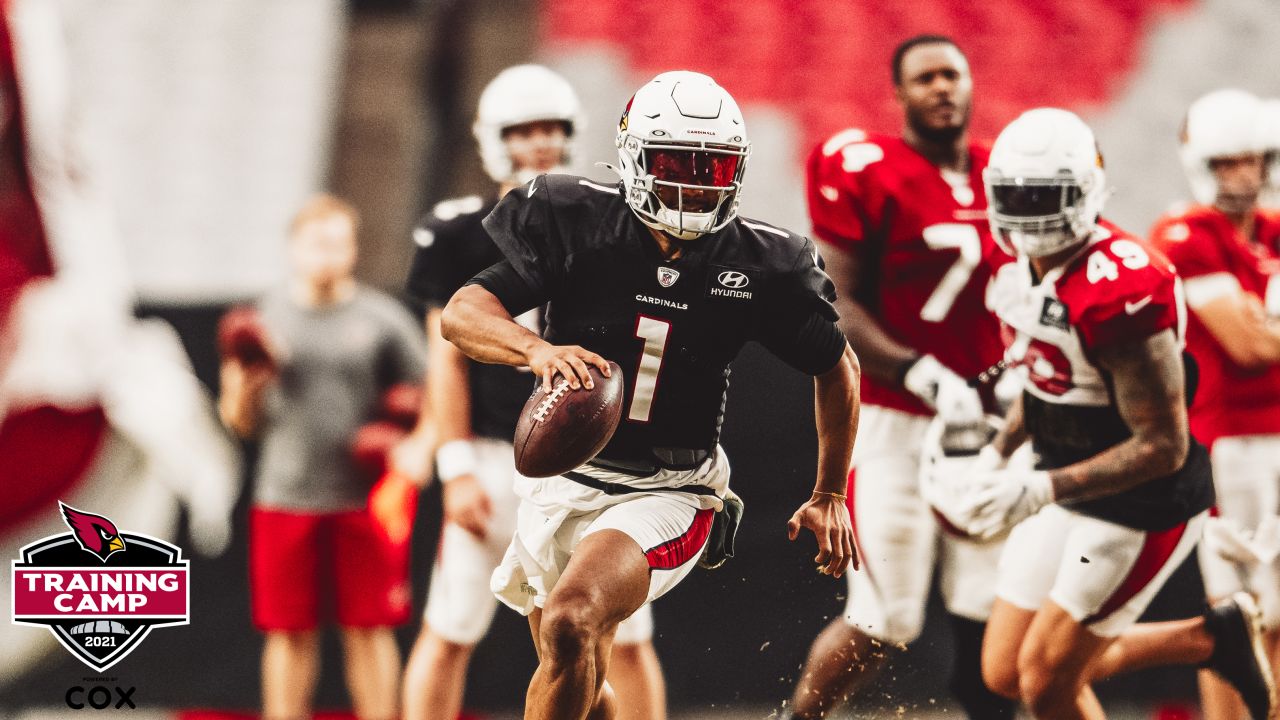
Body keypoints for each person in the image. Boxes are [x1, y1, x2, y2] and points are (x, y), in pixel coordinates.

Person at [440, 70, 861, 720]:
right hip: (561, 477)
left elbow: (838, 367)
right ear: (634, 155)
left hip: (667, 488)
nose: (694, 182)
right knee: (577, 669)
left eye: (711, 166)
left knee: (572, 619)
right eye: (675, 162)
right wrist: (537, 350)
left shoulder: (759, 260)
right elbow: (463, 313)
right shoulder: (575, 218)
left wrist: (830, 491)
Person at [936, 107, 1273, 719]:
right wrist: (995, 452)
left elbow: (1163, 445)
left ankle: (1208, 638)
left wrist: (1038, 488)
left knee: (1046, 684)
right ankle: (1207, 638)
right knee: (1004, 671)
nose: (1030, 212)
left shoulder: (1121, 285)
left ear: (1085, 192)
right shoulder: (1008, 263)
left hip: (1141, 500)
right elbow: (1042, 375)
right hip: (1065, 475)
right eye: (1017, 195)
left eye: (1046, 195)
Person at [400, 64, 667, 720]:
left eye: (552, 127)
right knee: (451, 627)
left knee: (625, 638)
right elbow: (447, 359)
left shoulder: (609, 223)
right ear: (494, 138)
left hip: (594, 462)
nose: (540, 141)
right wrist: (455, 465)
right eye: (524, 129)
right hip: (497, 453)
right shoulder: (460, 230)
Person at [790, 34, 1014, 719]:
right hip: (894, 419)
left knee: (988, 615)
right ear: (901, 94)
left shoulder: (1002, 175)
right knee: (886, 617)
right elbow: (835, 296)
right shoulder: (866, 166)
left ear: (973, 83)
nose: (942, 88)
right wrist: (916, 369)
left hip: (988, 425)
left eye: (952, 74)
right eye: (925, 78)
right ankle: (798, 717)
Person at [219, 194, 427, 720]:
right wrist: (249, 385)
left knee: (370, 630)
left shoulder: (383, 318)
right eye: (317, 243)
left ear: (353, 249)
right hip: (285, 497)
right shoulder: (261, 319)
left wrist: (410, 450)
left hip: (366, 501)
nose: (327, 254)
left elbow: (433, 398)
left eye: (338, 242)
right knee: (289, 634)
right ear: (293, 249)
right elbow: (239, 422)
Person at [1149, 88, 1280, 720]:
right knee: (1237, 611)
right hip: (1227, 440)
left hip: (1274, 435)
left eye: (1252, 159)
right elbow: (1248, 345)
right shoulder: (1187, 232)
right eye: (1227, 162)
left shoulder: (1274, 230)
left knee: (1278, 610)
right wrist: (1261, 327)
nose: (1244, 174)